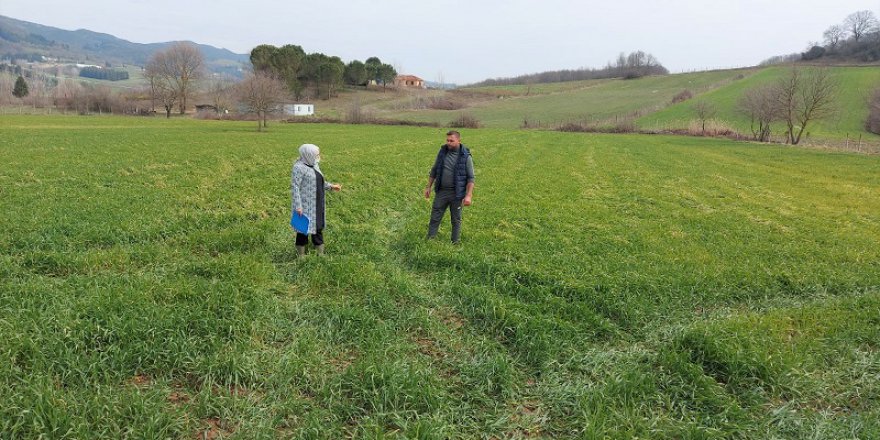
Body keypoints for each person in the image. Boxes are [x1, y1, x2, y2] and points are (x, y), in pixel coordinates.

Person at [424, 130, 475, 244]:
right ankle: (430, 240)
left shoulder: (466, 156)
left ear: (458, 141)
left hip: (457, 194)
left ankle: (455, 242)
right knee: (435, 216)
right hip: (442, 191)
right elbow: (434, 170)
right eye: (447, 140)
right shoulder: (442, 152)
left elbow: (471, 178)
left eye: (451, 141)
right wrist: (428, 187)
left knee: (456, 219)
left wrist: (468, 195)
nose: (448, 142)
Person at [291, 143, 341, 256]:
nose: (318, 156)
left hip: (317, 203)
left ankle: (320, 254)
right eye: (316, 154)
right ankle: (301, 256)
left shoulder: (314, 165)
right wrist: (298, 206)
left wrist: (332, 186)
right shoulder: (298, 168)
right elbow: (295, 188)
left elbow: (319, 181)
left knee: (318, 228)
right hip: (304, 206)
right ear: (308, 155)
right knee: (302, 230)